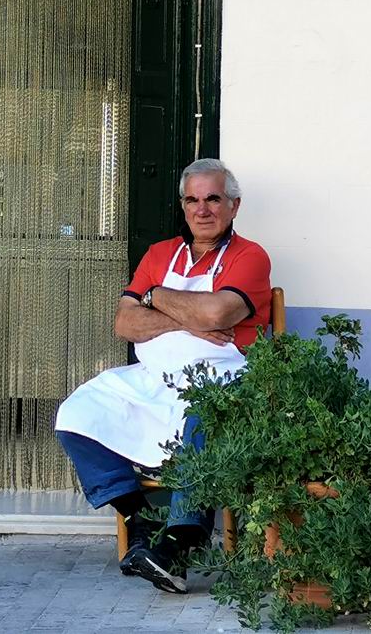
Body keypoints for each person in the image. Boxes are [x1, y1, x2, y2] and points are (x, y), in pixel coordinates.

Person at [54, 158, 272, 594]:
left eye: (213, 198)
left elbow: (218, 311)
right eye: (192, 200)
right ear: (182, 205)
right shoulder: (160, 254)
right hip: (153, 375)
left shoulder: (250, 256)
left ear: (234, 205)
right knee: (77, 413)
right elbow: (125, 323)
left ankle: (179, 542)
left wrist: (155, 299)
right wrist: (189, 322)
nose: (202, 209)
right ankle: (143, 519)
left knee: (207, 408)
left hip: (223, 374)